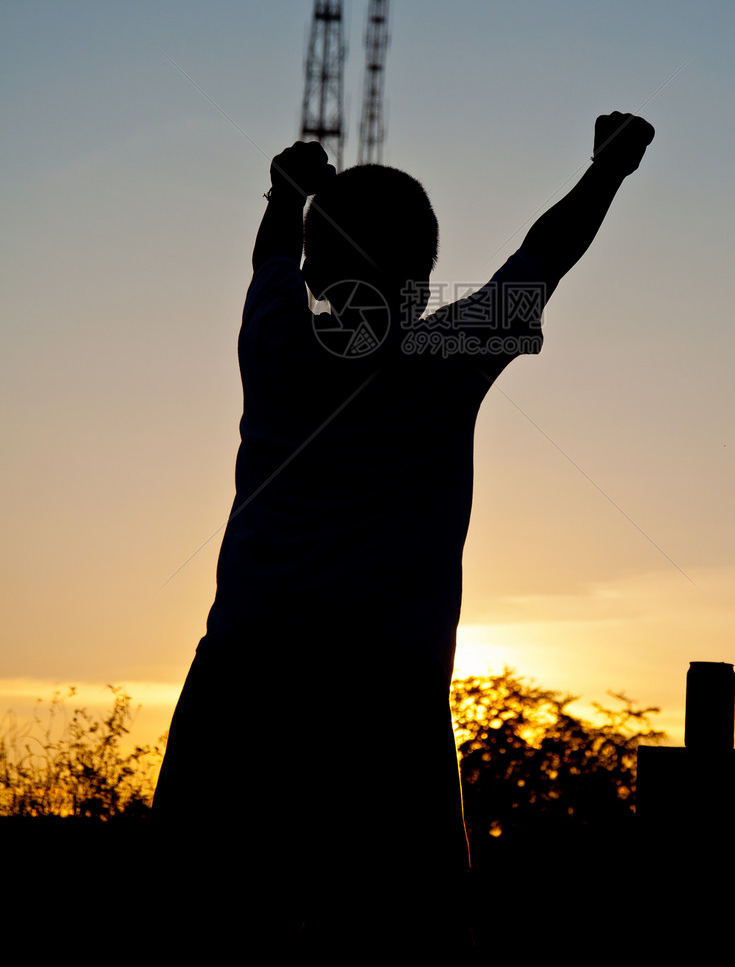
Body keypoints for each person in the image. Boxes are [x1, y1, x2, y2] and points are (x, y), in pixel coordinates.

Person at [153, 112, 654, 956]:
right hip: (383, 698)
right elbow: (547, 255)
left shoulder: (274, 343)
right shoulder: (448, 359)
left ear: (315, 277)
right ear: (419, 289)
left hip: (243, 685)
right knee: (403, 950)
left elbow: (269, 258)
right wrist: (608, 169)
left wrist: (289, 192)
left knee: (206, 933)